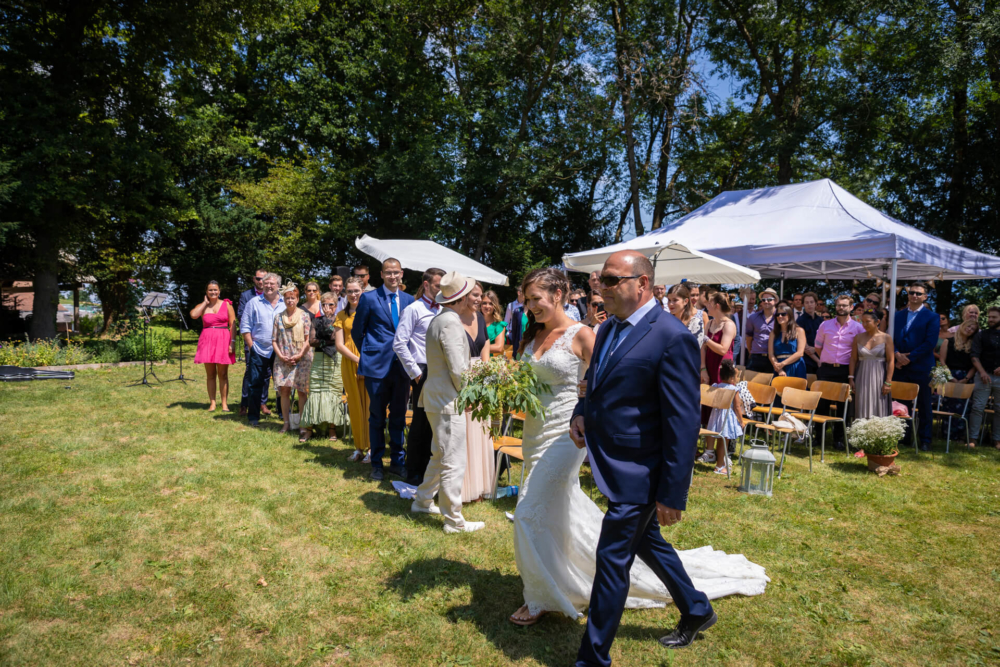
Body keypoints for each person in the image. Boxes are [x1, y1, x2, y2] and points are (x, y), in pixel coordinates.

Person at [569, 251, 767, 665]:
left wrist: (673, 493)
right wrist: (581, 412)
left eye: (609, 279)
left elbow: (681, 423)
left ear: (641, 284)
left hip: (641, 470)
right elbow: (595, 383)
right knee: (646, 542)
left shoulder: (671, 336)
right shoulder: (606, 330)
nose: (599, 286)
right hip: (611, 460)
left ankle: (592, 658)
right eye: (598, 280)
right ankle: (696, 609)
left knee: (611, 560)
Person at [411, 271, 484, 533]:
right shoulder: (450, 323)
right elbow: (458, 369)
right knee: (453, 459)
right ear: (462, 298)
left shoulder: (440, 319)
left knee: (441, 454)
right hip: (446, 400)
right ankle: (454, 520)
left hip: (437, 397)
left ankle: (421, 501)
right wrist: (468, 395)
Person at [352, 258, 415, 480]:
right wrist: (370, 352)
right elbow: (357, 332)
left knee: (399, 416)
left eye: (396, 272)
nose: (392, 276)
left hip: (402, 368)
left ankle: (398, 461)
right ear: (381, 274)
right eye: (388, 273)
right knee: (377, 417)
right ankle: (377, 463)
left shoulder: (409, 300)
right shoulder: (369, 298)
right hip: (376, 367)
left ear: (402, 273)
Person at [393, 268, 446, 486]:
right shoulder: (413, 309)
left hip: (442, 369)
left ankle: (432, 471)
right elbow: (399, 343)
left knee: (438, 422)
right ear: (426, 284)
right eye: (437, 286)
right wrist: (416, 373)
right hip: (422, 369)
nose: (440, 290)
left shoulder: (445, 310)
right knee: (421, 421)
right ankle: (413, 470)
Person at [891, 282, 939, 451]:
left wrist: (908, 358)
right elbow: (891, 339)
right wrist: (896, 354)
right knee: (901, 405)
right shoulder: (897, 315)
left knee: (925, 405)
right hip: (899, 366)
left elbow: (929, 343)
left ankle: (925, 439)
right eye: (912, 292)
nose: (915, 296)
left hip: (921, 367)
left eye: (919, 294)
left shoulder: (932, 317)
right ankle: (904, 436)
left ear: (925, 297)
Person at [460, 282, 495, 503]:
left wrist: (486, 377)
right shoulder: (453, 320)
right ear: (463, 295)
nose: (479, 300)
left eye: (481, 296)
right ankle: (464, 488)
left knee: (480, 432)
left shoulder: (480, 319)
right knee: (463, 434)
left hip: (480, 377)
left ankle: (480, 487)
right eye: (475, 295)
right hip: (461, 377)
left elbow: (485, 345)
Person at [814, 295, 865, 448]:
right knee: (821, 404)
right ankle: (819, 437)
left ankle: (838, 439)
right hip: (826, 369)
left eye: (844, 305)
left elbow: (859, 351)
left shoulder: (858, 328)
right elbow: (818, 347)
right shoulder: (825, 325)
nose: (841, 308)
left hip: (845, 370)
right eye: (838, 305)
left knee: (843, 406)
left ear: (851, 307)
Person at [240, 273, 285, 427]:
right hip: (259, 348)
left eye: (272, 283)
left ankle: (282, 413)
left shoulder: (286, 303)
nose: (269, 286)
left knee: (281, 384)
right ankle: (253, 416)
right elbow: (245, 327)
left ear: (278, 285)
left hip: (280, 350)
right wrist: (251, 347)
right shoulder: (253, 303)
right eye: (266, 283)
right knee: (255, 383)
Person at [698, 293, 737, 466]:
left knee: (720, 411)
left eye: (710, 304)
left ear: (718, 306)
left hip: (723, 370)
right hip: (709, 368)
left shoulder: (729, 325)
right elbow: (703, 349)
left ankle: (723, 454)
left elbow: (723, 349)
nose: (707, 306)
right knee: (707, 408)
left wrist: (705, 339)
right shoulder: (710, 323)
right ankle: (709, 451)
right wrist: (703, 369)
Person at [301, 292, 344, 442]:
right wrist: (327, 340)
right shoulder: (316, 320)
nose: (327, 307)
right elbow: (312, 341)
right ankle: (308, 429)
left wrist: (324, 338)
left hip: (335, 360)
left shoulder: (339, 320)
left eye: (330, 304)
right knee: (315, 392)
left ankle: (332, 429)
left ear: (336, 305)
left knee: (334, 392)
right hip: (319, 359)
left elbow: (335, 337)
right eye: (324, 304)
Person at [335, 278, 370, 462]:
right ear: (345, 293)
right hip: (350, 362)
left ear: (363, 290)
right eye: (349, 291)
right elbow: (339, 345)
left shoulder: (371, 311)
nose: (353, 294)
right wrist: (358, 360)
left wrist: (366, 361)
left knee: (371, 406)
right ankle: (358, 447)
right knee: (355, 405)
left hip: (370, 361)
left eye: (356, 290)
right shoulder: (341, 315)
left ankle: (372, 447)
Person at [272, 283, 313, 437]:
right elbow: (274, 340)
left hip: (302, 358)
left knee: (302, 392)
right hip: (283, 359)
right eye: (287, 298)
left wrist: (300, 354)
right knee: (284, 390)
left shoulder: (304, 316)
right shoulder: (278, 317)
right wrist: (281, 356)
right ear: (284, 299)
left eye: (293, 298)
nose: (290, 301)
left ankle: (303, 424)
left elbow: (308, 338)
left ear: (297, 299)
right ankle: (286, 423)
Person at [191, 280, 237, 411]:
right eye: (210, 290)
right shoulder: (203, 306)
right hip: (207, 341)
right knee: (210, 374)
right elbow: (194, 315)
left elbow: (233, 325)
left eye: (215, 290)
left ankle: (224, 404)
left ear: (219, 291)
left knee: (223, 374)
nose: (213, 292)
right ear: (206, 292)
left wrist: (232, 343)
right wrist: (205, 303)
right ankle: (212, 403)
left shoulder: (227, 305)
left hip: (223, 340)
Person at [849, 308, 894, 419]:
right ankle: (861, 433)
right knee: (861, 404)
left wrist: (888, 382)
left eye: (867, 321)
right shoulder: (858, 337)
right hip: (862, 376)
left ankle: (878, 434)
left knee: (879, 404)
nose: (864, 324)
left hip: (879, 376)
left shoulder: (886, 338)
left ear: (877, 322)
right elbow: (853, 359)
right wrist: (851, 378)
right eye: (862, 321)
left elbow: (891, 360)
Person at [705, 360, 746, 476]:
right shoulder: (733, 390)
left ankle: (714, 457)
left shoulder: (715, 386)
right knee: (724, 442)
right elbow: (737, 407)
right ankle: (719, 466)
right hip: (727, 417)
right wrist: (741, 421)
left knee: (718, 439)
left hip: (715, 416)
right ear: (732, 378)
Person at [238, 269, 271, 417]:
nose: (261, 281)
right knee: (250, 373)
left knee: (266, 374)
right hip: (252, 341)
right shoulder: (246, 296)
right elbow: (241, 316)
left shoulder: (273, 297)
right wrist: (250, 343)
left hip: (269, 344)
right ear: (254, 279)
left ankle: (262, 403)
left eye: (263, 279)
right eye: (258, 278)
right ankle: (245, 404)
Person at [969, 306, 1000, 449]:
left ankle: (997, 440)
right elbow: (974, 354)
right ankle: (973, 438)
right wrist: (982, 372)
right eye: (989, 317)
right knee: (977, 408)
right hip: (983, 376)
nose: (990, 320)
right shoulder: (981, 335)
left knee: (999, 409)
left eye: (994, 317)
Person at [768, 305, 807, 379]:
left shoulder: (799, 330)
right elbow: (771, 354)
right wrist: (779, 369)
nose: (780, 316)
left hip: (795, 366)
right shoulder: (773, 333)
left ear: (789, 315)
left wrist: (783, 364)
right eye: (777, 314)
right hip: (779, 367)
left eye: (783, 314)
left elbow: (800, 353)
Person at [744, 288, 778, 372]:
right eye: (763, 300)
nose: (766, 301)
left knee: (773, 384)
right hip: (756, 356)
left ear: (776, 301)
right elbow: (748, 338)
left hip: (775, 356)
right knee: (752, 384)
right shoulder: (753, 317)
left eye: (769, 299)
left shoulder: (781, 317)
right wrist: (751, 352)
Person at [797, 292, 823, 374]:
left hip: (822, 358)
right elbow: (805, 347)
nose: (809, 305)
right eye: (807, 302)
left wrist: (815, 349)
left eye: (811, 302)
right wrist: (818, 361)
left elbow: (826, 340)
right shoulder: (800, 321)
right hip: (807, 361)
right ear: (803, 305)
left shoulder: (821, 320)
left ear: (816, 304)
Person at [481, 290, 507, 356]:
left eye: (491, 304)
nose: (487, 306)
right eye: (484, 303)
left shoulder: (499, 325)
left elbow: (499, 347)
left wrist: (475, 348)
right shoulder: (474, 322)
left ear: (495, 306)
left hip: (490, 363)